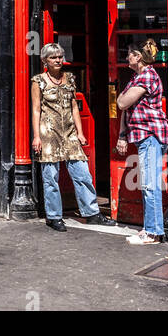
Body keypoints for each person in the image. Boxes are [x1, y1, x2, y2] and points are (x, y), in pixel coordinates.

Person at [32, 43, 111, 232]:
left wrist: (80, 132)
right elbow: (36, 110)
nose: (58, 60)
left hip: (69, 133)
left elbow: (75, 107)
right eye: (53, 57)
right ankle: (54, 216)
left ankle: (92, 213)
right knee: (51, 177)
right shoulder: (38, 81)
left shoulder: (70, 79)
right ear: (45, 61)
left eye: (60, 56)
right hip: (48, 132)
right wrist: (37, 136)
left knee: (83, 174)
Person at [116, 39, 168, 245]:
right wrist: (122, 135)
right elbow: (124, 106)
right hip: (142, 135)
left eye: (129, 53)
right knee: (148, 183)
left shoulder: (147, 77)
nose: (126, 56)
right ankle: (149, 229)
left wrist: (124, 98)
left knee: (150, 184)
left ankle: (153, 232)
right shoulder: (136, 77)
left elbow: (121, 102)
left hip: (150, 135)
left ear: (138, 57)